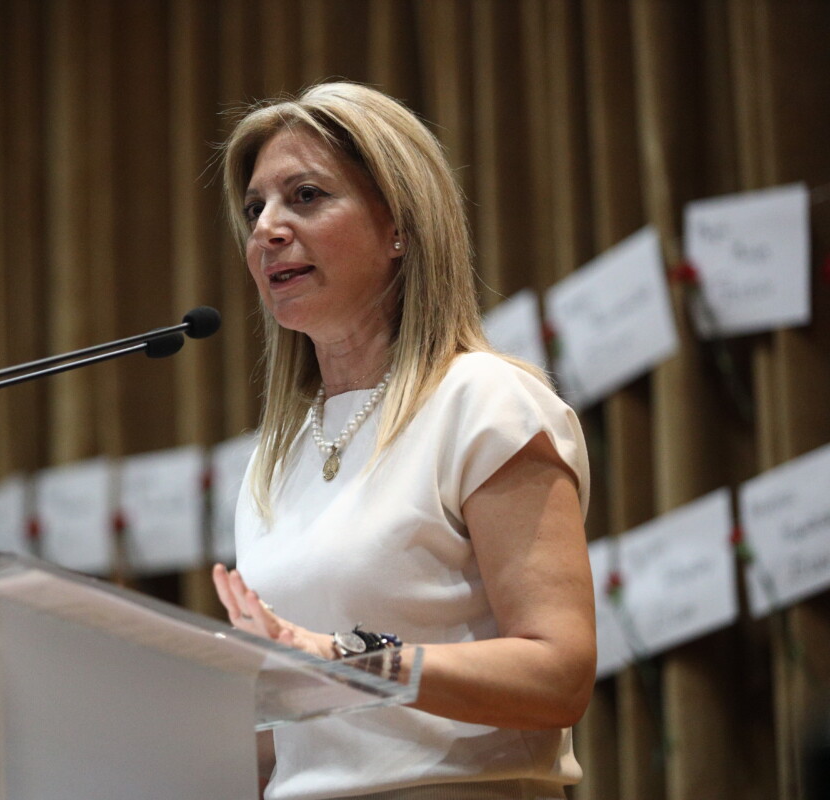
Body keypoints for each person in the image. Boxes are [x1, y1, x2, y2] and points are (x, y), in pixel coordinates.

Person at [211, 82, 596, 800]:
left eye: (306, 196)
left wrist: (342, 659)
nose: (267, 229)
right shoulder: (273, 459)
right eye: (255, 208)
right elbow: (298, 743)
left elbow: (558, 676)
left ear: (399, 227)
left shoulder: (483, 401)